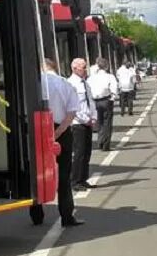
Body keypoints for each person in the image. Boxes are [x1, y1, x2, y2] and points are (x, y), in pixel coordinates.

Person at [41, 59, 84, 227]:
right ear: (56, 67)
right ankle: (66, 216)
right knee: (64, 174)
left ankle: (36, 212)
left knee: (37, 170)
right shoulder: (65, 84)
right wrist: (58, 132)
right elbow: (72, 112)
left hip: (39, 126)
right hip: (61, 129)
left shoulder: (36, 82)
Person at [67, 58, 98, 192]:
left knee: (87, 152)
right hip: (77, 123)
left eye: (85, 67)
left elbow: (90, 101)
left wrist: (94, 117)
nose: (85, 70)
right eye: (83, 67)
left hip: (88, 122)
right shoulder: (70, 84)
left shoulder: (85, 82)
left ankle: (83, 178)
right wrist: (85, 119)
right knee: (78, 153)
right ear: (74, 68)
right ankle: (75, 181)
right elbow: (73, 106)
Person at [87, 58, 118, 152]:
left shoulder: (91, 78)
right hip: (106, 100)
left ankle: (100, 141)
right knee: (107, 123)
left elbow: (88, 90)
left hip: (95, 101)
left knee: (98, 122)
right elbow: (114, 89)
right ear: (106, 66)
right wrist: (112, 99)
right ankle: (106, 144)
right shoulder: (110, 76)